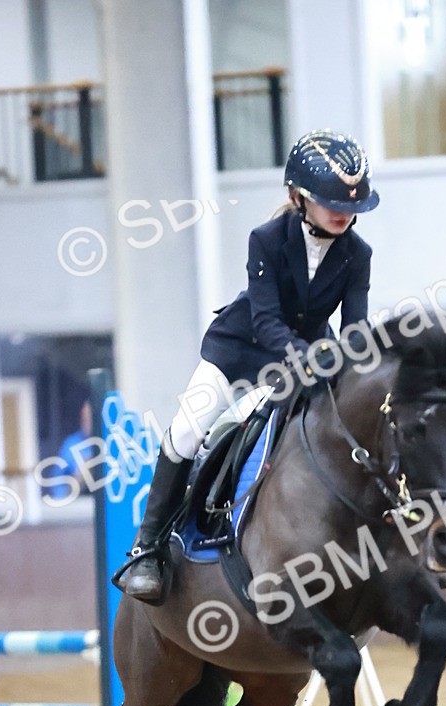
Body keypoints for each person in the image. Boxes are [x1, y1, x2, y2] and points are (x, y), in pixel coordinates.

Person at [121, 128, 380, 602]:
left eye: (351, 205)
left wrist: (360, 362)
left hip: (306, 357)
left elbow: (355, 327)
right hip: (241, 350)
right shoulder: (266, 239)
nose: (342, 212)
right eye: (329, 202)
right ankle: (148, 547)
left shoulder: (357, 254)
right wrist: (307, 355)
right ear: (298, 197)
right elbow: (265, 320)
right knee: (187, 430)